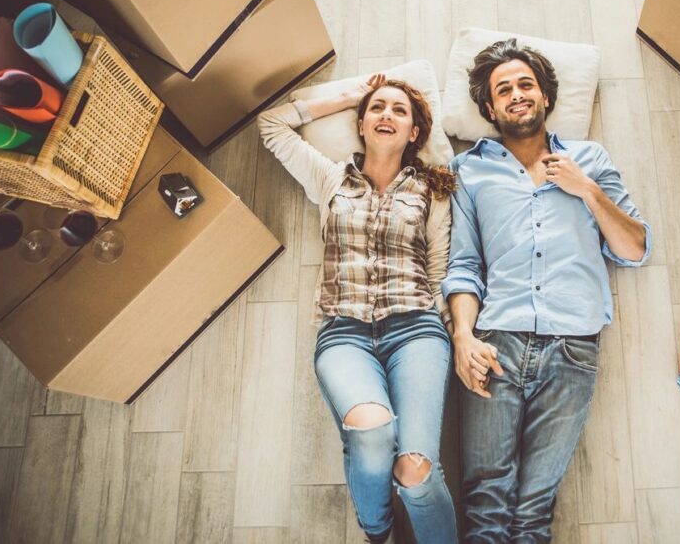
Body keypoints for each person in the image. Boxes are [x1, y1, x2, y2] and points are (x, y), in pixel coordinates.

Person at [442, 39, 653, 542]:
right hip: (496, 343)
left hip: (574, 348)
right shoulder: (469, 170)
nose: (517, 94)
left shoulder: (589, 158)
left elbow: (635, 249)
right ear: (490, 108)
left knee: (535, 508)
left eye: (525, 84)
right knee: (486, 501)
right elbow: (465, 265)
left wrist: (588, 190)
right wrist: (462, 338)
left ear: (545, 97)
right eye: (504, 89)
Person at [259, 74, 458, 544]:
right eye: (377, 108)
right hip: (344, 334)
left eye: (399, 110)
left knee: (416, 469)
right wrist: (351, 96)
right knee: (370, 433)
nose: (386, 114)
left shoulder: (433, 191)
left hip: (417, 331)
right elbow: (272, 126)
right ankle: (377, 528)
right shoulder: (330, 178)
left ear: (414, 134)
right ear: (363, 125)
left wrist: (452, 330)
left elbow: (437, 267)